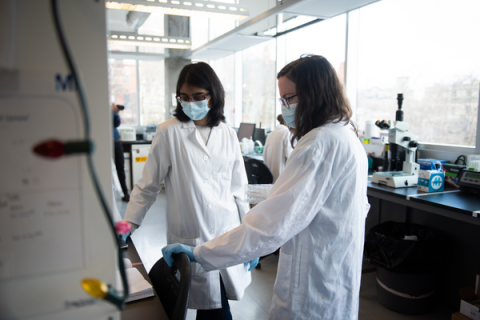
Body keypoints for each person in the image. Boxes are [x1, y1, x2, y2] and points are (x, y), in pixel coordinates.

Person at [163, 55, 370, 319]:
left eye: (290, 98)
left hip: (311, 285)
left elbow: (272, 223)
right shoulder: (345, 136)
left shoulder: (318, 144)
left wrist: (200, 253)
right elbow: (309, 200)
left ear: (315, 93)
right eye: (282, 100)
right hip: (334, 274)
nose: (284, 107)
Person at [123, 62, 257, 320]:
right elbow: (148, 185)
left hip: (226, 234)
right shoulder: (169, 132)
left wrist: (250, 238)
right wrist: (128, 224)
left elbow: (239, 190)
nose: (190, 103)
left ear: (213, 95)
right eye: (184, 97)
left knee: (215, 305)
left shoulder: (228, 134)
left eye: (198, 97)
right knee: (212, 308)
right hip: (190, 237)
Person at [263, 114, 293, 183]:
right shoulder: (286, 133)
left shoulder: (271, 133)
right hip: (280, 180)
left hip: (270, 179)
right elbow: (291, 157)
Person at [112, 103, 130, 202]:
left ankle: (125, 193)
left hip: (116, 142)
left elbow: (116, 124)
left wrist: (115, 113)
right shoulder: (105, 111)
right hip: (107, 143)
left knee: (120, 168)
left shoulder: (113, 113)